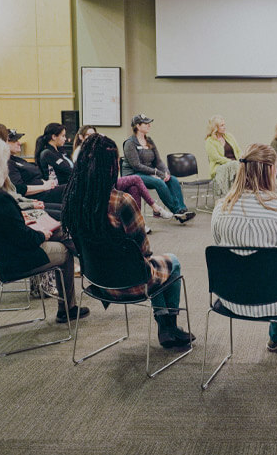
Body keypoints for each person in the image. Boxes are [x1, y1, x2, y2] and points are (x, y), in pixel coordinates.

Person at [62, 134, 191, 348]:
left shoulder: (73, 199)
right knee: (171, 263)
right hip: (130, 283)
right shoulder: (121, 201)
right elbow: (144, 251)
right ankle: (167, 325)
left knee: (149, 266)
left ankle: (167, 328)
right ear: (112, 167)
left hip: (97, 282)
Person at [0, 134, 88, 324]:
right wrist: (42, 234)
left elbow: (0, 226)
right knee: (63, 250)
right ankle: (68, 308)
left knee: (61, 231)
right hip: (8, 262)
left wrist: (28, 225)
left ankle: (92, 266)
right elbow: (25, 240)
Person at [211, 143, 277, 351]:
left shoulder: (220, 207)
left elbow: (220, 250)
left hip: (230, 298)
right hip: (275, 301)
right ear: (271, 170)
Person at [74, 125, 173, 222]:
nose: (92, 138)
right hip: (96, 186)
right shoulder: (80, 152)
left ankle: (137, 221)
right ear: (81, 137)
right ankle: (155, 208)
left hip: (108, 182)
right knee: (136, 178)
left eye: (94, 135)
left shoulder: (95, 149)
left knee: (134, 188)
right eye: (88, 135)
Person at [0, 122, 61, 221]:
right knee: (67, 213)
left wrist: (29, 203)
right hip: (17, 213)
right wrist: (29, 205)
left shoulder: (0, 166)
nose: (19, 143)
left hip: (21, 206)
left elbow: (11, 195)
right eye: (9, 140)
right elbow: (11, 197)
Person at [122, 114, 195, 223]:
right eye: (146, 123)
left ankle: (182, 208)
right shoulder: (129, 143)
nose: (149, 125)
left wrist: (166, 172)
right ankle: (177, 211)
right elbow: (136, 165)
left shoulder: (149, 141)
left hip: (149, 173)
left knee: (173, 179)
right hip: (134, 174)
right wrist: (156, 172)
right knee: (159, 182)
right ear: (137, 126)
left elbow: (158, 161)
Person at [5, 128, 66, 207]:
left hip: (45, 190)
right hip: (37, 196)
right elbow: (19, 189)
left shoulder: (18, 159)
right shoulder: (8, 163)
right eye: (14, 141)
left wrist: (46, 183)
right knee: (72, 189)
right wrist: (44, 187)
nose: (19, 143)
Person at [205, 115, 242, 198]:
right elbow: (216, 158)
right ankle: (232, 196)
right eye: (222, 125)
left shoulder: (229, 136)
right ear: (215, 128)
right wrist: (231, 162)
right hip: (220, 167)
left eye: (224, 125)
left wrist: (241, 159)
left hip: (236, 164)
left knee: (248, 165)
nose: (224, 127)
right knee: (235, 166)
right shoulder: (209, 141)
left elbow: (238, 150)